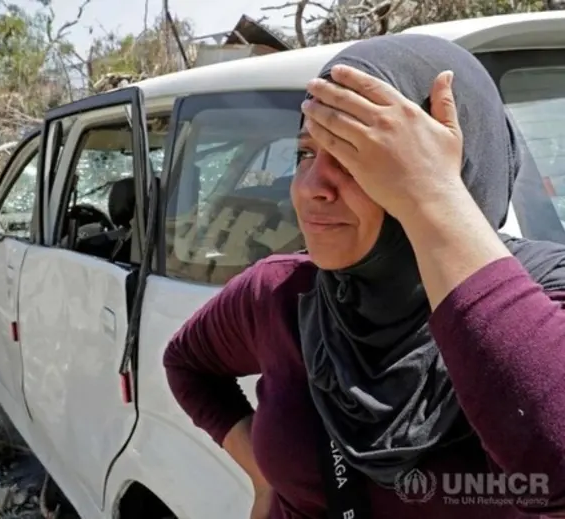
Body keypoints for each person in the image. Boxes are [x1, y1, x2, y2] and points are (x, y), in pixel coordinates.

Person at [162, 33, 565, 519]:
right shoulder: (285, 294)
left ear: (452, 172)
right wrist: (264, 476)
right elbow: (187, 364)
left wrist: (433, 201)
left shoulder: (543, 297)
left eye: (357, 156)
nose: (311, 188)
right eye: (305, 153)